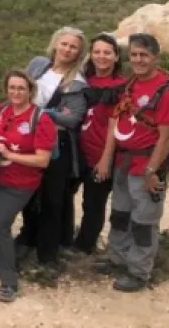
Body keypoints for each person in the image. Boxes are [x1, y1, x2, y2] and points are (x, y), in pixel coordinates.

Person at [98, 33, 169, 292]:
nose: (138, 59)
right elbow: (118, 119)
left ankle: (138, 272)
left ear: (155, 57)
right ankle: (118, 257)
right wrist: (108, 158)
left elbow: (166, 138)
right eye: (134, 54)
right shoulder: (131, 83)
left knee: (144, 222)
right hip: (124, 160)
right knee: (121, 214)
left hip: (146, 164)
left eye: (144, 55)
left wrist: (151, 171)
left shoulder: (166, 92)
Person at [0, 70, 57, 303]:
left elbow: (42, 159)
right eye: (12, 88)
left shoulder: (40, 119)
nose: (15, 92)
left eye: (21, 88)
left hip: (20, 182)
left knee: (0, 224)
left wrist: (10, 155)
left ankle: (9, 282)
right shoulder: (1, 111)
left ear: (30, 91)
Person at [18, 26, 88, 277]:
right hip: (29, 139)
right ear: (55, 43)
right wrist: (56, 114)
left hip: (57, 146)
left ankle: (47, 254)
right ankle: (27, 238)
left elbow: (74, 119)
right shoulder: (38, 66)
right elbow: (20, 92)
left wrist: (43, 113)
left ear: (79, 53)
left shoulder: (77, 82)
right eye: (64, 44)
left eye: (73, 47)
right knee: (28, 192)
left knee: (52, 198)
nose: (67, 50)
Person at [71, 33, 126, 256]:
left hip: (101, 154)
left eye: (107, 52)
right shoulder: (82, 79)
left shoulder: (121, 86)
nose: (101, 57)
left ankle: (85, 245)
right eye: (97, 52)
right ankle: (66, 237)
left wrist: (106, 159)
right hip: (77, 151)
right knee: (65, 197)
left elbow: (116, 124)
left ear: (115, 57)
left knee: (93, 202)